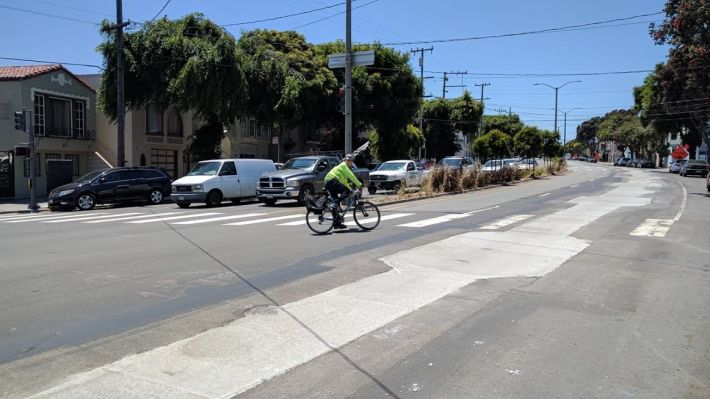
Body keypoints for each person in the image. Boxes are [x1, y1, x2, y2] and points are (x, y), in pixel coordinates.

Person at [324, 154, 362, 229]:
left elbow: (344, 182)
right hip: (331, 180)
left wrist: (351, 189)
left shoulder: (343, 168)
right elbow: (351, 176)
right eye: (348, 160)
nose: (349, 162)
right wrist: (359, 185)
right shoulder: (343, 166)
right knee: (345, 193)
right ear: (344, 160)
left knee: (335, 204)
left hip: (329, 181)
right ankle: (335, 204)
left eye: (350, 161)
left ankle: (336, 223)